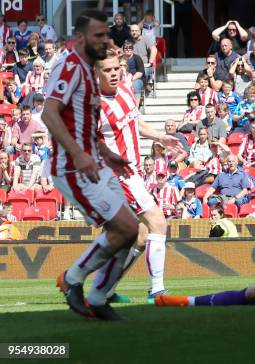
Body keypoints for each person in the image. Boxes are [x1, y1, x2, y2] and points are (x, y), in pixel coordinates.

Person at [43, 9, 140, 321]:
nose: (104, 40)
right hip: (73, 168)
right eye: (98, 35)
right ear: (81, 37)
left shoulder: (88, 69)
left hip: (96, 163)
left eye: (106, 35)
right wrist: (79, 154)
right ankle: (71, 279)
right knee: (125, 228)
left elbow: (84, 124)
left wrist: (105, 153)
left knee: (131, 231)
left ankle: (98, 296)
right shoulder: (70, 67)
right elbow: (49, 113)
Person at [95, 54, 183, 303]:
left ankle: (103, 289)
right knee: (158, 223)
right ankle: (157, 291)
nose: (115, 73)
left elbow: (135, 123)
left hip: (134, 172)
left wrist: (159, 137)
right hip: (119, 174)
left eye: (117, 68)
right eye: (108, 69)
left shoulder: (124, 91)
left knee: (141, 236)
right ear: (96, 73)